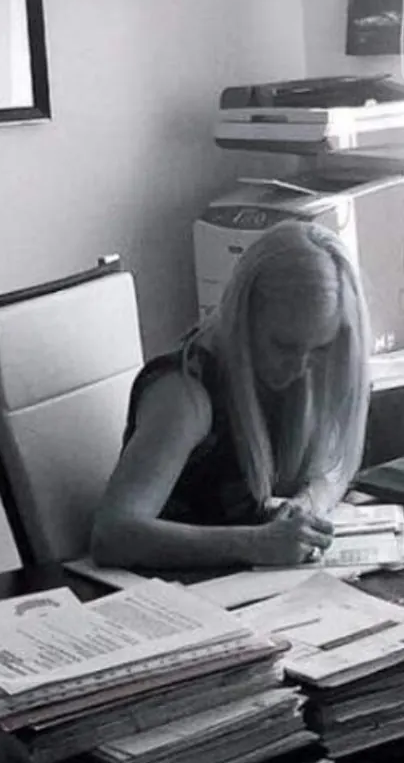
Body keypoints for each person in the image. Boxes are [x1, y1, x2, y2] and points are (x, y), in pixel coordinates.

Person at [90, 219, 372, 569]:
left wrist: (306, 505)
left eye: (319, 348)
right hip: (171, 590)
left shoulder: (309, 366)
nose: (300, 367)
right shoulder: (185, 394)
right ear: (243, 318)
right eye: (283, 346)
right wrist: (255, 544)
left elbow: (334, 468)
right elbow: (112, 534)